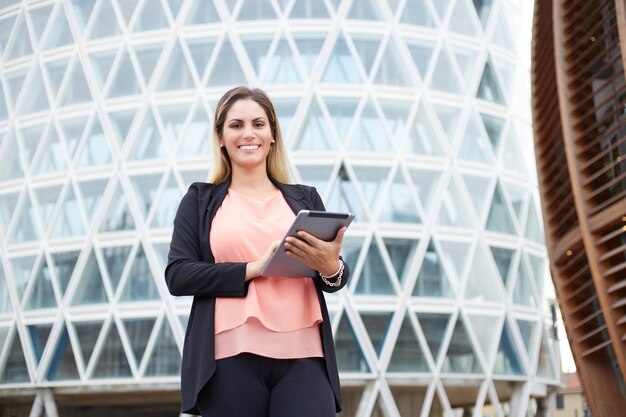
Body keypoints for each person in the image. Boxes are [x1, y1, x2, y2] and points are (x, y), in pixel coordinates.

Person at [165, 86, 350, 417]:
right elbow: (178, 275)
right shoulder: (199, 200)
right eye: (236, 125)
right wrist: (253, 268)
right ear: (220, 137)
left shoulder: (305, 199)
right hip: (229, 355)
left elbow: (333, 277)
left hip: (305, 355)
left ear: (273, 134)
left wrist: (331, 266)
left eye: (258, 124)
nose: (248, 133)